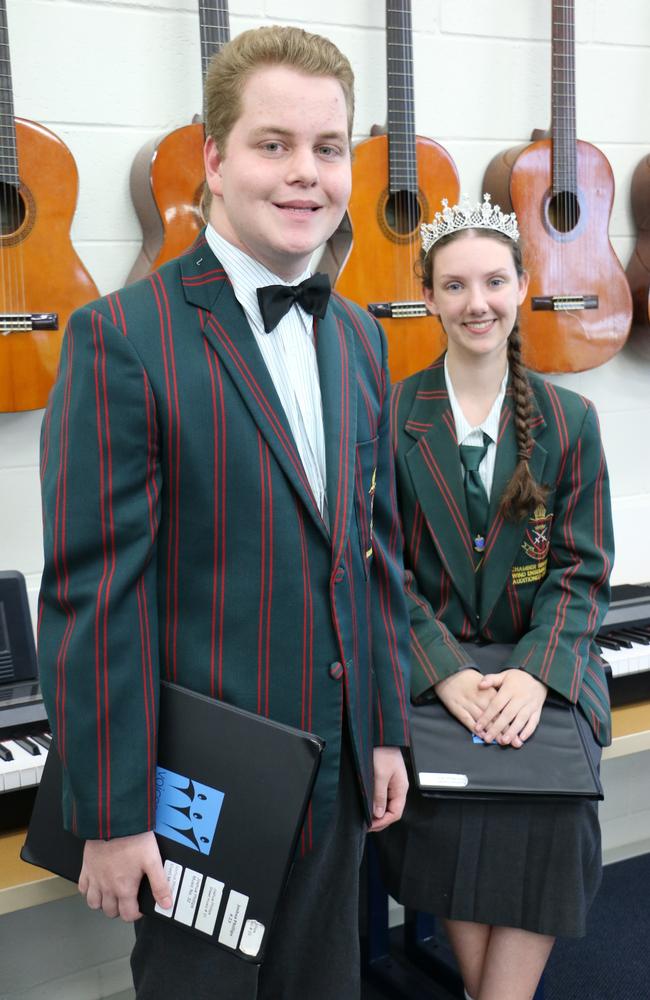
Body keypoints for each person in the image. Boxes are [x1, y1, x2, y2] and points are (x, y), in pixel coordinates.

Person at [37, 26, 411, 1000]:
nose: (305, 175)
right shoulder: (118, 336)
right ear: (213, 157)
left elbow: (369, 553)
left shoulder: (362, 338)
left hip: (332, 774)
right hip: (193, 794)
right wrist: (113, 817)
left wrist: (380, 727)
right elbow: (94, 595)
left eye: (327, 149)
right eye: (272, 144)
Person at [377, 194, 614, 1000]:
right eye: (455, 286)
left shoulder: (570, 420)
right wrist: (443, 672)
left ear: (520, 287)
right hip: (432, 678)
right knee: (446, 813)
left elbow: (581, 571)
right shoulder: (388, 416)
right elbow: (379, 566)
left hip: (539, 673)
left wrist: (531, 676)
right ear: (430, 295)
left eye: (493, 282)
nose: (476, 303)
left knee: (550, 817)